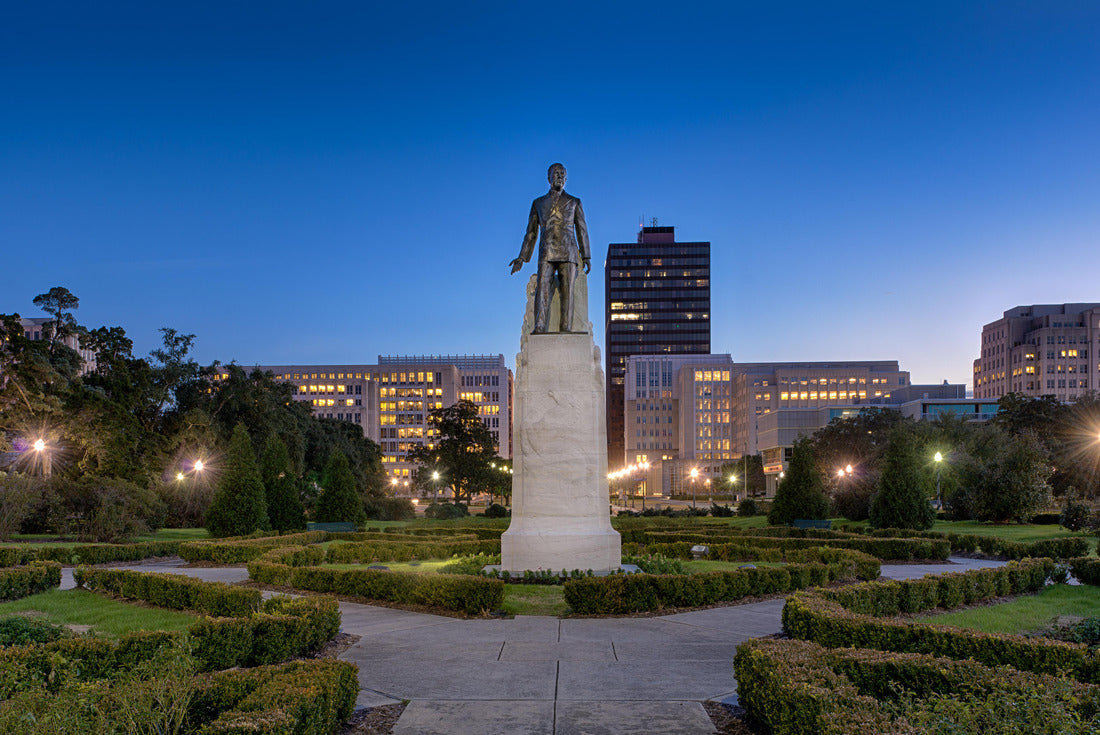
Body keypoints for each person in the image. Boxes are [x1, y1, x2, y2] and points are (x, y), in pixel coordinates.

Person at [510, 163, 591, 333]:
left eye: (562, 174)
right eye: (555, 173)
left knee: (567, 292)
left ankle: (565, 328)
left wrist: (586, 255)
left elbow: (582, 230)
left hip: (568, 252)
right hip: (546, 251)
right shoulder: (538, 203)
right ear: (548, 178)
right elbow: (531, 233)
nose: (559, 176)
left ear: (566, 178)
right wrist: (521, 258)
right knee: (542, 288)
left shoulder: (574, 202)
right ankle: (539, 326)